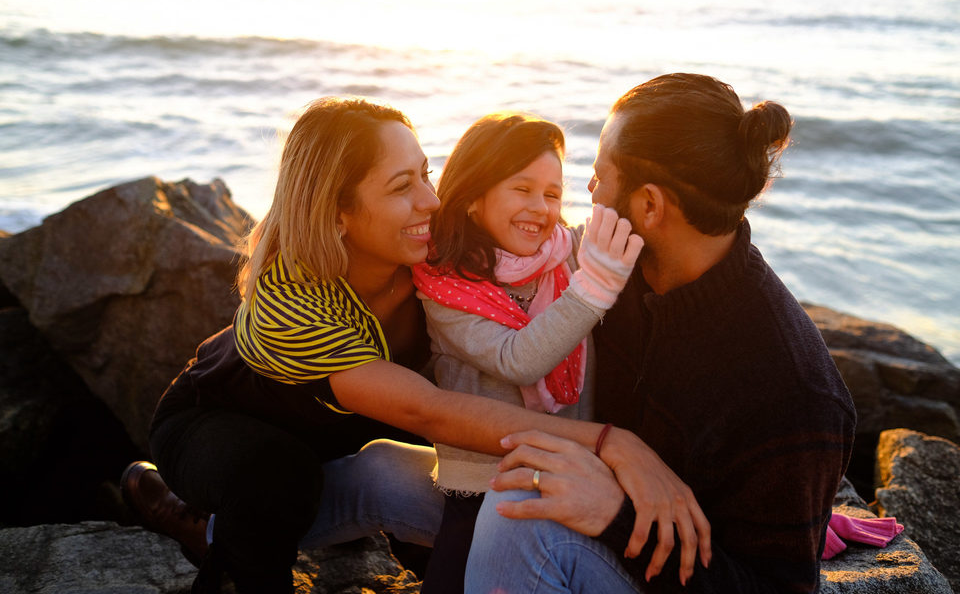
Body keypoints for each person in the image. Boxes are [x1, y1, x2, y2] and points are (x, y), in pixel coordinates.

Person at [120, 96, 710, 594]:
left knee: (431, 475)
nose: (431, 199)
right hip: (223, 428)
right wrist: (610, 444)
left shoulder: (437, 259)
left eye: (426, 173)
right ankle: (204, 528)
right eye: (404, 186)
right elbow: (428, 411)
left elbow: (530, 267)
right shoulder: (293, 302)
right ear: (338, 213)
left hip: (346, 436)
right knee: (279, 477)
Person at [464, 74, 857, 594]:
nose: (588, 190)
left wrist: (615, 515)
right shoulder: (617, 276)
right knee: (378, 474)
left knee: (518, 503)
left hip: (669, 578)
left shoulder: (792, 390)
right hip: (605, 508)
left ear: (649, 206)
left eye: (601, 177)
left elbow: (777, 587)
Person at [411, 112, 643, 592]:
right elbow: (517, 359)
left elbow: (633, 220)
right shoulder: (446, 287)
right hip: (479, 488)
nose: (540, 207)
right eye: (521, 188)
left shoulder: (569, 257)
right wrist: (594, 289)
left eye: (553, 193)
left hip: (566, 475)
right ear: (474, 197)